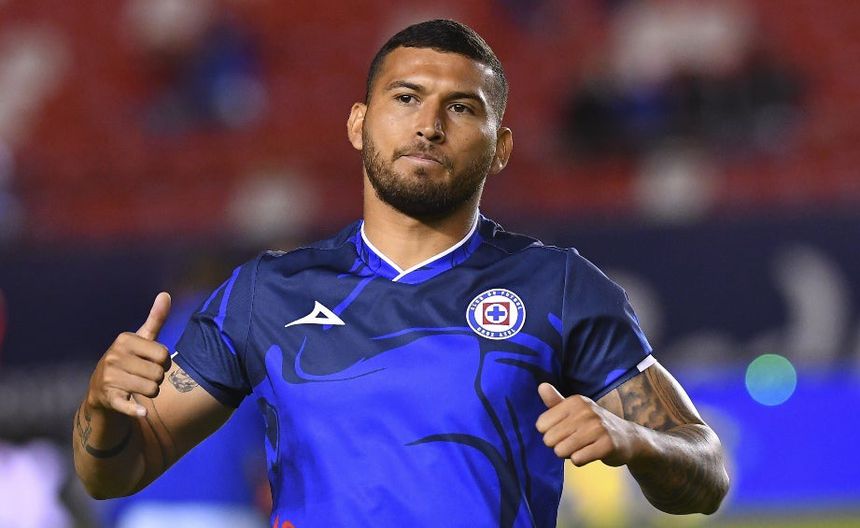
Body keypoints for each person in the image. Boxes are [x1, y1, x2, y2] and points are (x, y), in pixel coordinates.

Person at [73, 19, 729, 527]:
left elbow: (706, 472)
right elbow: (115, 472)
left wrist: (634, 439)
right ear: (359, 124)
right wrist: (102, 410)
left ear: (501, 147)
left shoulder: (559, 286)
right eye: (406, 97)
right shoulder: (264, 294)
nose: (429, 125)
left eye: (462, 107)